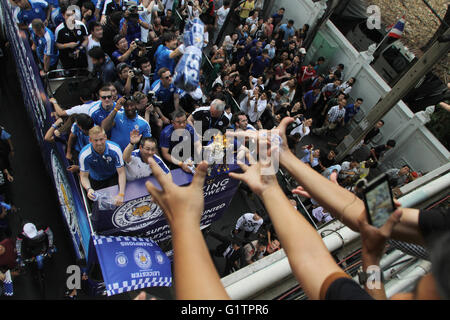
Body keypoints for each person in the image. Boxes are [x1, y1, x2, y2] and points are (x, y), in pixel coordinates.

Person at [78, 126, 126, 205]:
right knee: (99, 206)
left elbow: (121, 172)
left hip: (112, 177)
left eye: (101, 139)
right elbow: (83, 176)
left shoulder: (115, 149)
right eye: (95, 140)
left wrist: (121, 194)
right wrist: (89, 189)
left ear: (105, 137)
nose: (99, 143)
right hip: (96, 180)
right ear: (90, 140)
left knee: (115, 202)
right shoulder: (84, 154)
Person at [55, 4, 88, 69]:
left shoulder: (80, 25)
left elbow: (86, 39)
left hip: (81, 55)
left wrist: (79, 49)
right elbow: (57, 45)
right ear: (63, 15)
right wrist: (68, 45)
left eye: (72, 15)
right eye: (68, 15)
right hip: (66, 58)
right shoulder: (59, 29)